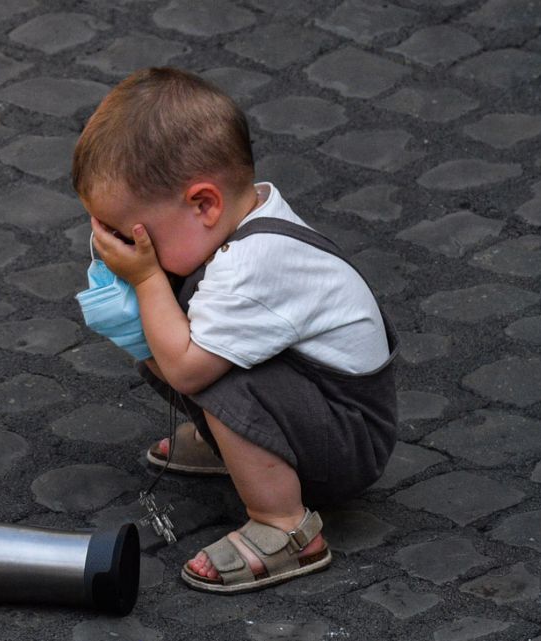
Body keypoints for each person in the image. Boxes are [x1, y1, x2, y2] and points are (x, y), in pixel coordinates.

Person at [71, 67, 398, 593]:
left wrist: (148, 278)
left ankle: (283, 525)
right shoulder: (231, 228)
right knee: (176, 324)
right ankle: (237, 445)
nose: (120, 248)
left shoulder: (254, 268)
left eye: (131, 234)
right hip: (315, 404)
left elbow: (186, 369)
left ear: (204, 204)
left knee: (206, 367)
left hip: (346, 441)